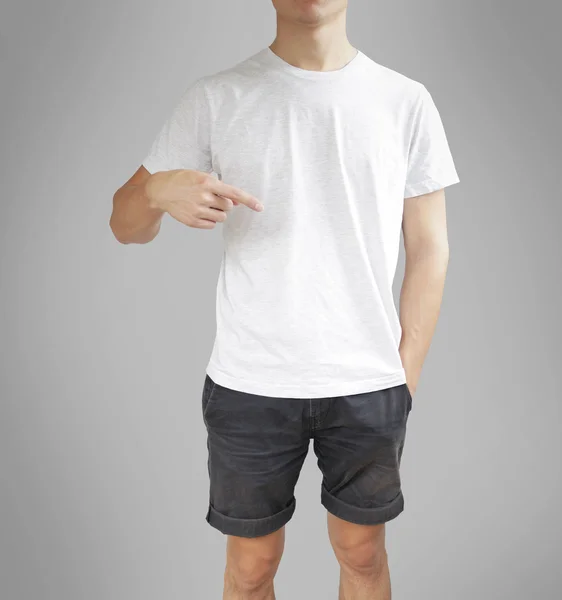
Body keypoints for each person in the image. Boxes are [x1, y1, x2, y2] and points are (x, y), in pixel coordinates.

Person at [110, 1, 459, 597]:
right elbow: (126, 224)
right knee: (251, 568)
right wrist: (160, 191)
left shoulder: (405, 101)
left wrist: (404, 377)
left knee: (363, 555)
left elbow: (429, 247)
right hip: (250, 381)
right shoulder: (217, 97)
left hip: (367, 382)